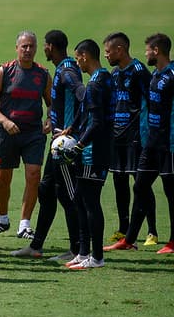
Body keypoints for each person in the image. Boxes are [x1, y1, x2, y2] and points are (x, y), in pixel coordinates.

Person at [12, 30, 83, 261]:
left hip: (64, 146)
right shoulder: (61, 68)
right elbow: (60, 102)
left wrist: (72, 127)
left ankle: (79, 249)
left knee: (68, 195)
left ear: (50, 46)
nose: (41, 48)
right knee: (47, 190)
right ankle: (36, 246)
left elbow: (83, 97)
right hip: (56, 144)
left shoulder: (68, 70)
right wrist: (53, 119)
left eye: (43, 45)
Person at [106, 33, 174, 254]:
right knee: (140, 185)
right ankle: (129, 239)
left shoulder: (171, 74)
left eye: (147, 50)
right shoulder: (156, 75)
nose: (144, 53)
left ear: (156, 51)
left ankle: (170, 240)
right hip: (151, 142)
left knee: (170, 191)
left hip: (168, 143)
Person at [0, 31, 52, 239]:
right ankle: (2, 218)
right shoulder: (4, 71)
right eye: (24, 46)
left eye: (31, 46)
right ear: (16, 48)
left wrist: (50, 120)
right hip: (7, 133)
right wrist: (4, 121)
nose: (28, 50)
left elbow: (51, 103)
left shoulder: (43, 74)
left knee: (33, 176)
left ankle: (24, 224)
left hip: (33, 134)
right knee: (2, 179)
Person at [62, 40, 115, 269]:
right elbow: (87, 112)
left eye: (77, 58)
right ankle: (84, 254)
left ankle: (97, 257)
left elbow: (96, 121)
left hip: (94, 152)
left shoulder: (94, 85)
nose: (76, 62)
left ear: (84, 56)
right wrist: (72, 128)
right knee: (80, 200)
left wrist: (79, 145)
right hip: (97, 149)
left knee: (90, 203)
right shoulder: (104, 78)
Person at [103, 32, 155, 245]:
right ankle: (123, 229)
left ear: (120, 50)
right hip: (118, 136)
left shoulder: (140, 71)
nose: (106, 55)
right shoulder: (115, 73)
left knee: (140, 183)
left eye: (108, 51)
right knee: (119, 181)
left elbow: (151, 102)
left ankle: (152, 230)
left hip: (136, 137)